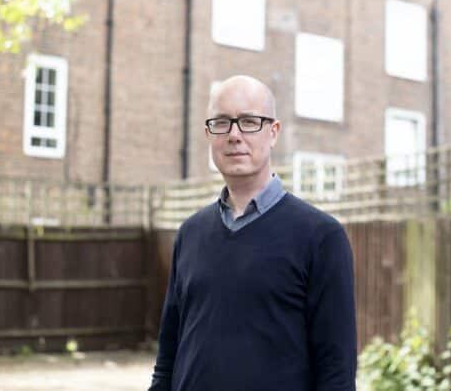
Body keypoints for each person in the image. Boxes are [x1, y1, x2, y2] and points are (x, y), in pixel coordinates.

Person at [149, 75, 357, 391]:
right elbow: (167, 358)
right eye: (222, 123)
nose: (234, 135)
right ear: (208, 134)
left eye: (249, 122)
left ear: (273, 132)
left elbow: (336, 374)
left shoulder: (320, 237)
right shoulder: (190, 234)